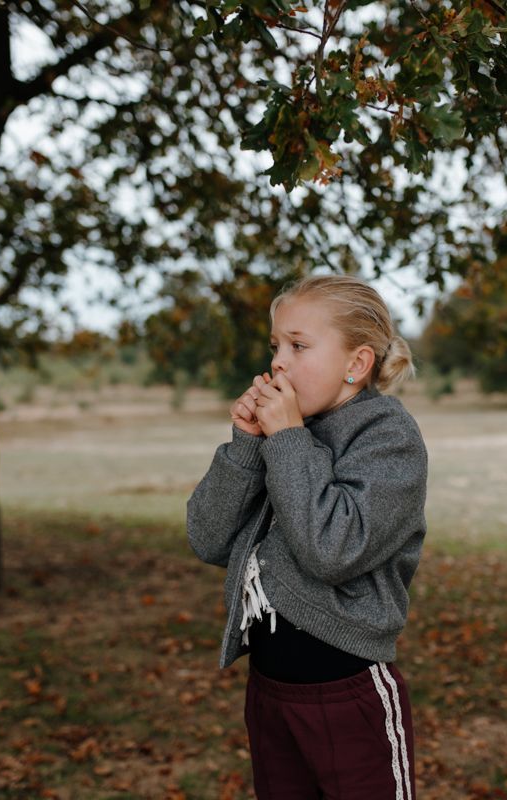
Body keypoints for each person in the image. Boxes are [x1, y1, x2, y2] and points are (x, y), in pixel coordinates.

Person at [187, 274, 428, 799]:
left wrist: (289, 438)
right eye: (276, 345)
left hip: (350, 694)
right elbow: (208, 539)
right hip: (271, 693)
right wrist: (248, 445)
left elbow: (333, 549)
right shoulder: (285, 434)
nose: (279, 362)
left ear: (356, 364)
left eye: (299, 346)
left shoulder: (387, 435)